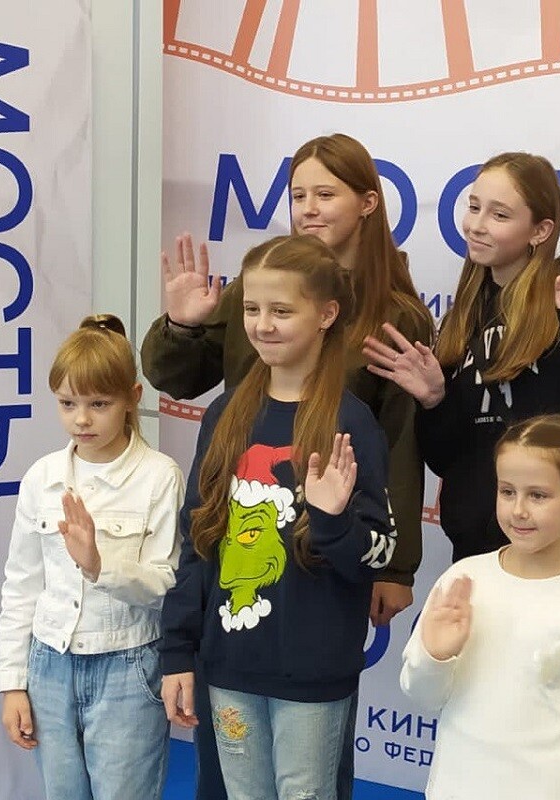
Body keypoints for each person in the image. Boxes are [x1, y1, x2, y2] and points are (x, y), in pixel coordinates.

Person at [143, 134, 430, 799]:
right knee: (230, 779)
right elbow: (198, 524)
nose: (309, 207)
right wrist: (183, 326)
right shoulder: (246, 332)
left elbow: (400, 450)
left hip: (318, 600)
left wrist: (394, 565)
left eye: (325, 193)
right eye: (298, 194)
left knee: (309, 778)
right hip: (234, 629)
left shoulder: (392, 321)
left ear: (367, 203)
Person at [159, 234, 396, 800]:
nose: (263, 325)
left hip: (313, 675)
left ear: (326, 315)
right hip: (229, 666)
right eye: (251, 309)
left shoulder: (351, 423)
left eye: (282, 311)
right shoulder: (224, 413)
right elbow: (197, 540)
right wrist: (177, 651)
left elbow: (377, 552)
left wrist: (332, 520)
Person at [363, 151, 560, 565]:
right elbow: (447, 460)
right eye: (474, 207)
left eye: (499, 215)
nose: (476, 225)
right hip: (479, 556)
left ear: (540, 230)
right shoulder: (466, 312)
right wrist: (434, 400)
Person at [0, 315, 184, 800]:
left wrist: (100, 567)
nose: (81, 419)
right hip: (48, 667)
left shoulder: (159, 476)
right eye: (67, 403)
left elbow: (166, 583)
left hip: (128, 668)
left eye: (99, 404)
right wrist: (12, 683)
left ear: (132, 398)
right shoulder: (42, 478)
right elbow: (21, 586)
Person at [401, 414, 560, 800]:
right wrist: (435, 656)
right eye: (507, 491)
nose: (519, 510)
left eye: (537, 495)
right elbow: (421, 695)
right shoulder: (465, 579)